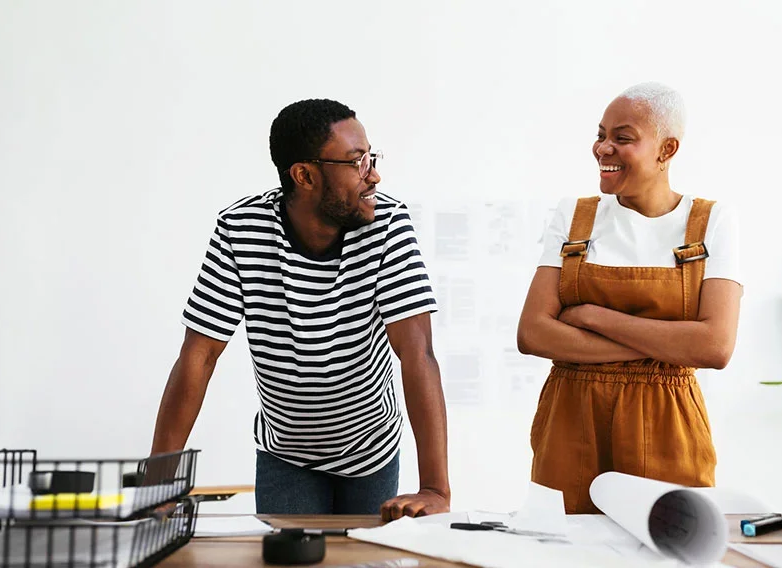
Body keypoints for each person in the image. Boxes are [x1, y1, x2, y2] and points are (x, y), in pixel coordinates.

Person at [149, 98, 450, 521]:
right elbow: (200, 354)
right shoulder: (241, 229)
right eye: (357, 162)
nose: (374, 174)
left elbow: (417, 353)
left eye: (372, 158)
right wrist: (161, 479)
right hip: (286, 456)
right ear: (304, 175)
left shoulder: (388, 225)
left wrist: (435, 488)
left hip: (371, 452)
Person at [517, 82, 742, 514]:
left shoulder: (711, 222)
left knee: (669, 550)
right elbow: (532, 333)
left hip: (668, 425)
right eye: (601, 135)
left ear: (666, 150)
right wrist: (668, 344)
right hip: (571, 424)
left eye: (622, 138)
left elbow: (714, 347)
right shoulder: (574, 215)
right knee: (565, 551)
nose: (603, 149)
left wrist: (592, 316)